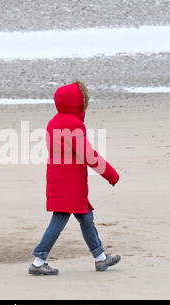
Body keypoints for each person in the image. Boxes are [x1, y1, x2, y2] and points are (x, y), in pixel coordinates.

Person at [29, 80, 121, 275]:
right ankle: (38, 261)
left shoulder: (53, 122)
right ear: (79, 103)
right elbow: (88, 155)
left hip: (62, 177)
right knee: (60, 218)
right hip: (69, 181)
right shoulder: (74, 125)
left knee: (86, 217)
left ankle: (100, 258)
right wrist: (110, 174)